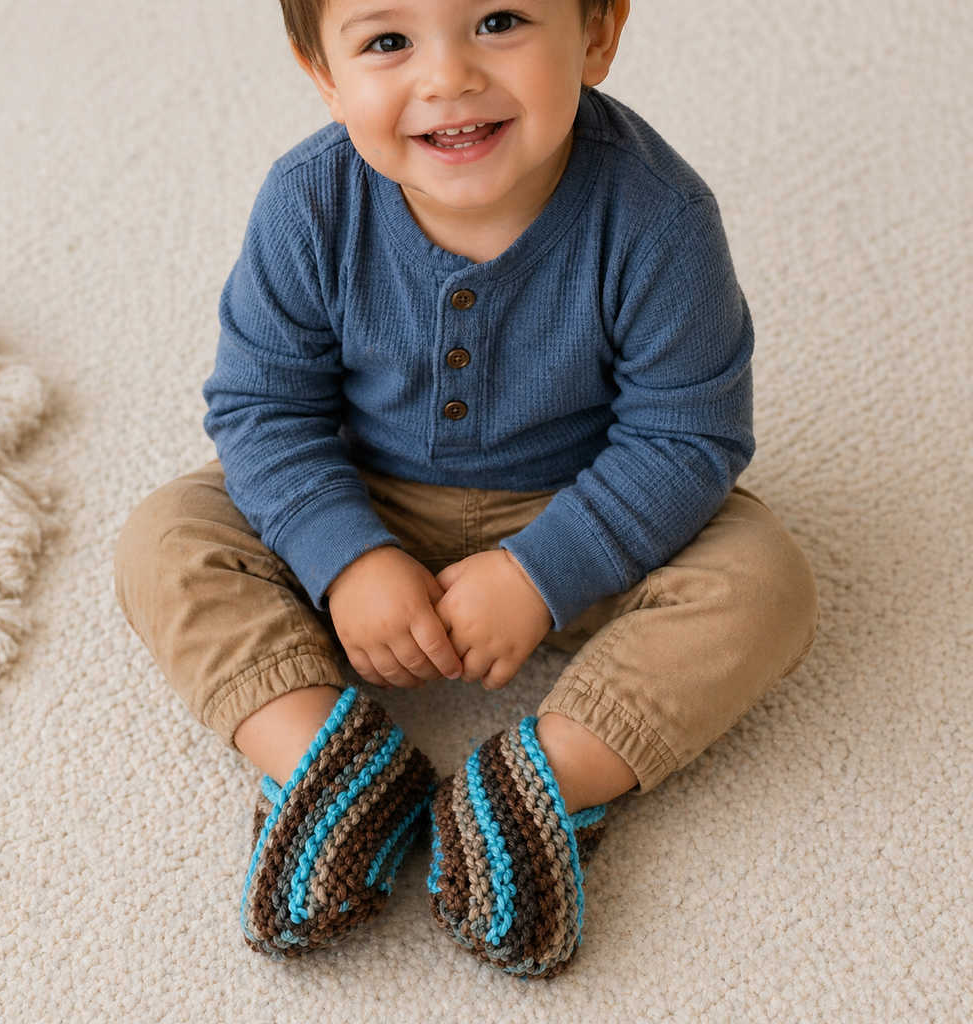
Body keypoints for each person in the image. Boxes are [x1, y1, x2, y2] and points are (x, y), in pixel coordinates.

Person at [115, 0, 819, 979]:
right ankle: (327, 761)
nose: (448, 77)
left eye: (498, 20)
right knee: (165, 536)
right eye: (388, 42)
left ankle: (546, 777)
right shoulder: (308, 202)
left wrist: (541, 573)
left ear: (598, 34)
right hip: (364, 489)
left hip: (580, 499)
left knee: (766, 580)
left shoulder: (658, 216)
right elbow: (263, 411)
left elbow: (687, 437)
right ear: (323, 73)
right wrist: (345, 559)